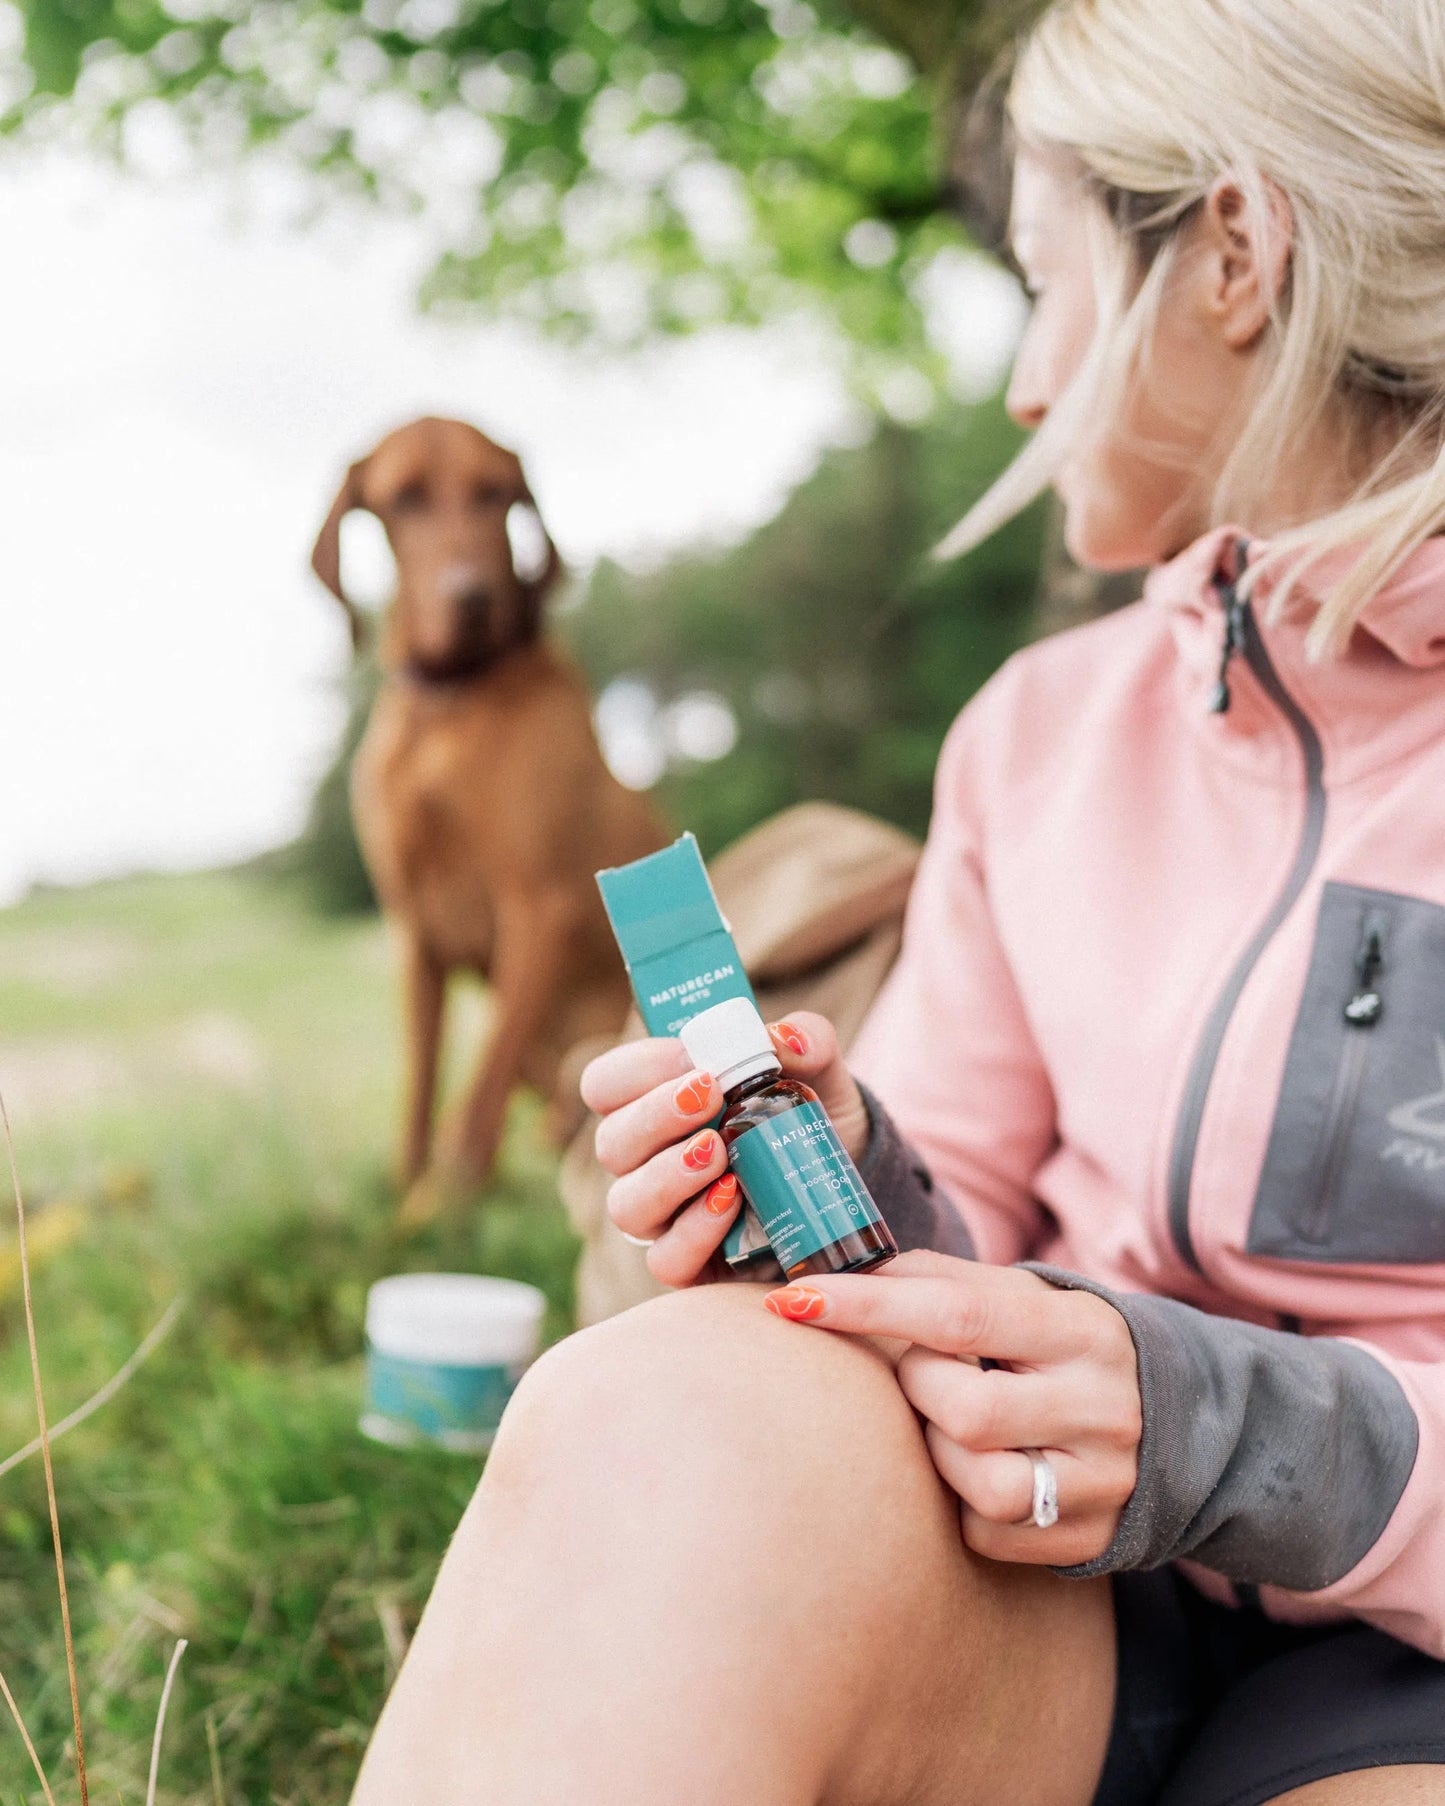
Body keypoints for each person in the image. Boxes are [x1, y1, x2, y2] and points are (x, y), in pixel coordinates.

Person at [351, 1, 1445, 1801]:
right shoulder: (1037, 738)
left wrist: (1250, 1440)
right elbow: (964, 1225)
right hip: (1059, 1594)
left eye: (1043, 278)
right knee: (648, 1404)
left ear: (1233, 256)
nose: (1024, 381)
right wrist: (826, 1174)